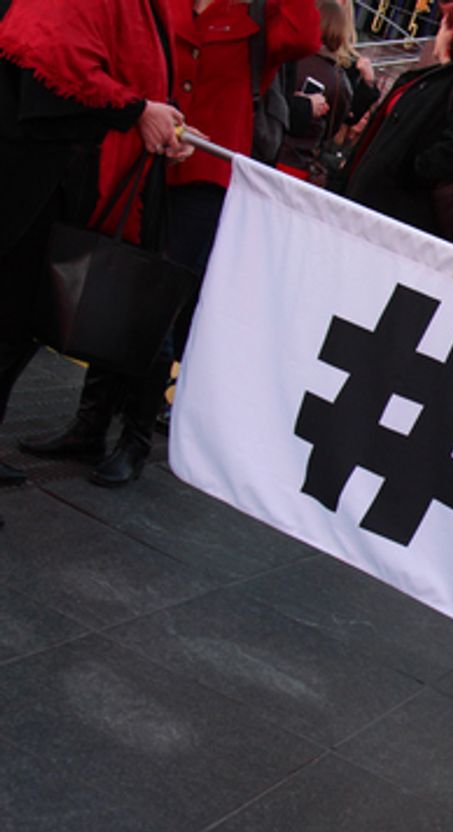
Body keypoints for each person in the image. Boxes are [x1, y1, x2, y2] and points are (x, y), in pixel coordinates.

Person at [17, 0, 320, 487]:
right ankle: (90, 423)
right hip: (143, 158)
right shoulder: (164, 6)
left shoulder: (257, 14)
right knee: (116, 281)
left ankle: (134, 437)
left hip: (204, 173)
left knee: (155, 301)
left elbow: (303, 36)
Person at [0, 0, 189, 513]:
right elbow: (52, 54)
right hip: (30, 171)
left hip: (58, 175)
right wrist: (137, 111)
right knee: (9, 319)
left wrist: (154, 119)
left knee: (18, 325)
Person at [343, 0, 453, 238]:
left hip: (399, 216)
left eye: (442, 26)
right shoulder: (430, 79)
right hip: (367, 202)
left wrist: (411, 170)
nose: (437, 35)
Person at [276, 0, 356, 185]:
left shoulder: (285, 56)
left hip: (267, 151)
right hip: (300, 167)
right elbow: (332, 128)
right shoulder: (339, 81)